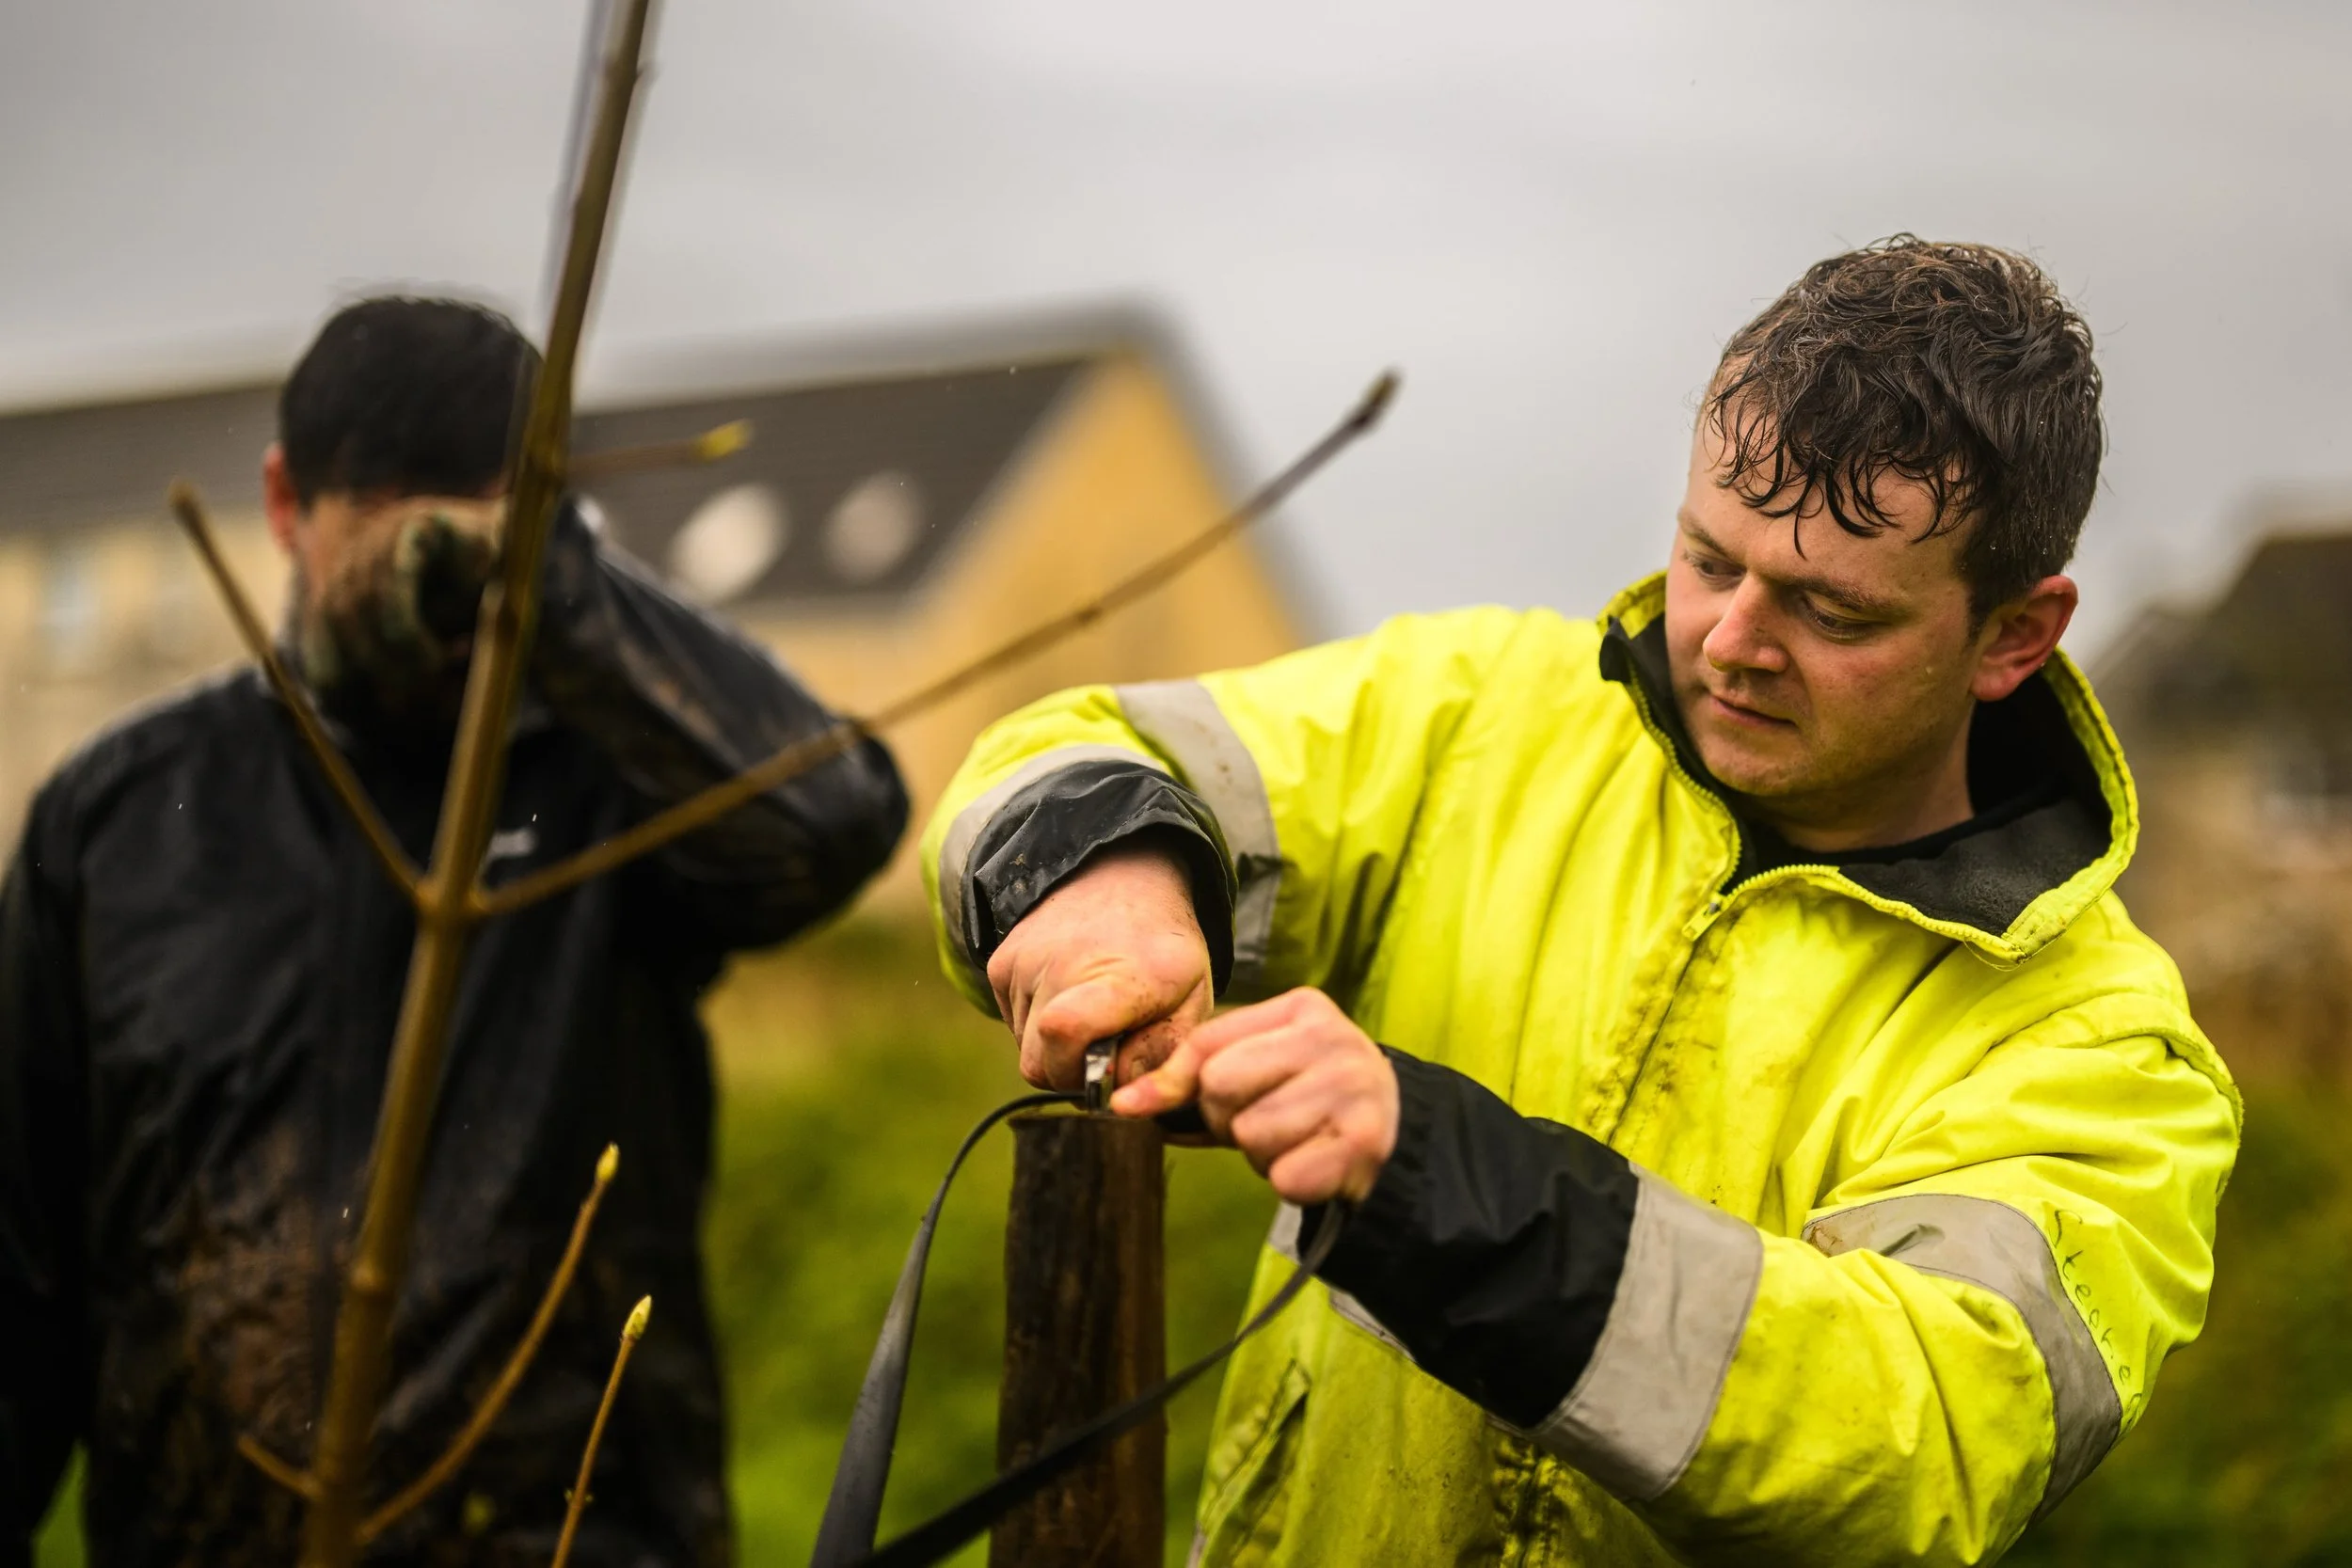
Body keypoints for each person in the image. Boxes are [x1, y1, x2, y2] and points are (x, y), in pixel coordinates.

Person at [922, 237, 2239, 1564]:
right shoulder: (1483, 718)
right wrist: (1113, 887)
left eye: (1832, 614)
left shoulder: (2104, 1050)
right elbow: (1068, 749)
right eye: (1708, 559)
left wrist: (1439, 1183)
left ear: (2014, 633)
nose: (1731, 641)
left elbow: (1925, 1437)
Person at [0, 297, 908, 1566]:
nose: (427, 590)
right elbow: (22, 1268)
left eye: (481, 534)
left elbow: (834, 825)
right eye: (385, 526)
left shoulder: (614, 786)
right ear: (284, 505)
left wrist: (561, 591)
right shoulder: (124, 820)